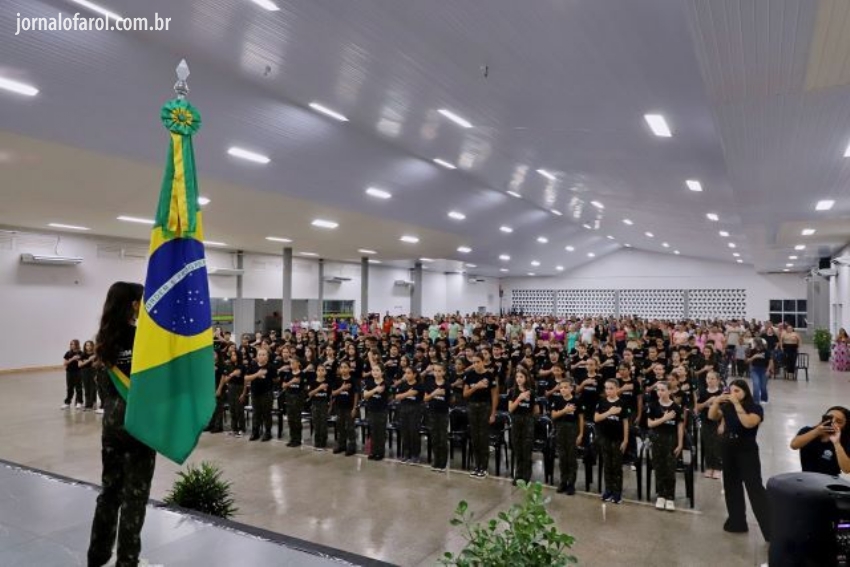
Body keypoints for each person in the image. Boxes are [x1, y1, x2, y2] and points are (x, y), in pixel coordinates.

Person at [87, 282, 156, 567]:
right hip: (138, 423)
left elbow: (102, 388)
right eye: (142, 301)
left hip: (112, 423)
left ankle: (97, 556)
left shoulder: (105, 340)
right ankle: (127, 562)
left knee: (109, 491)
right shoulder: (143, 339)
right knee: (134, 497)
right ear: (133, 305)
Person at [708, 379, 771, 540]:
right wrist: (716, 402)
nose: (733, 394)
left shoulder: (755, 408)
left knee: (754, 487)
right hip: (728, 448)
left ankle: (770, 530)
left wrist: (737, 404)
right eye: (731, 391)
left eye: (737, 391)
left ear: (745, 391)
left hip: (746, 449)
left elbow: (748, 424)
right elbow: (712, 416)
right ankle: (737, 522)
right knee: (731, 485)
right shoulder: (727, 407)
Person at [647, 381, 684, 512]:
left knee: (670, 470)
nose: (660, 392)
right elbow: (650, 424)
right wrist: (664, 418)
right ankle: (661, 495)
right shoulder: (653, 406)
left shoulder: (676, 407)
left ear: (669, 391)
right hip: (657, 441)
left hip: (671, 442)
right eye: (658, 390)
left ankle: (670, 497)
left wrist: (680, 443)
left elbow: (680, 427)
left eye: (663, 390)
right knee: (659, 469)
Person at [463, 354, 499, 479]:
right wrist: (476, 387)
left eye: (478, 361)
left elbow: (494, 395)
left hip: (485, 407)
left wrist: (493, 413)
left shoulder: (489, 375)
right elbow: (465, 394)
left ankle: (484, 466)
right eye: (473, 362)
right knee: (474, 437)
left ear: (483, 362)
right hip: (472, 407)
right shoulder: (469, 375)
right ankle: (476, 465)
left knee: (483, 438)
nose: (475, 364)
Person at [594, 379, 629, 504]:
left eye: (611, 388)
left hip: (617, 439)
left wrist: (625, 440)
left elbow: (625, 422)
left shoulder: (622, 403)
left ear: (617, 389)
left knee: (616, 466)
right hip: (605, 438)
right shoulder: (602, 402)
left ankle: (617, 491)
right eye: (606, 388)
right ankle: (608, 489)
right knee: (607, 465)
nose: (608, 391)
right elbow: (596, 418)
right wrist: (609, 412)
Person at [790, 407, 850, 475]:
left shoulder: (845, 441)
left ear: (844, 426)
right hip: (807, 476)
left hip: (830, 479)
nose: (833, 422)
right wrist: (816, 432)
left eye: (839, 422)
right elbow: (794, 445)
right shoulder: (807, 430)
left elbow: (846, 469)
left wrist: (837, 443)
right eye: (829, 418)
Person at [551, 378, 582, 495]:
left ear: (571, 388)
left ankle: (571, 483)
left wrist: (581, 434)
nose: (563, 390)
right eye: (561, 388)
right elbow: (553, 415)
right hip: (560, 430)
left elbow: (581, 419)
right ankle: (563, 481)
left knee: (571, 458)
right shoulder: (557, 400)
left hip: (572, 431)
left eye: (566, 387)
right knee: (562, 457)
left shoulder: (576, 401)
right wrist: (564, 410)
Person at [508, 367, 539, 485]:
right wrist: (519, 398)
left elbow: (536, 410)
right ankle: (518, 475)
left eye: (521, 377)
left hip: (527, 422)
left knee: (526, 450)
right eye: (517, 377)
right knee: (518, 449)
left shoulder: (532, 392)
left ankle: (526, 476)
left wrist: (531, 419)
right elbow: (510, 409)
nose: (518, 379)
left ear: (526, 378)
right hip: (516, 421)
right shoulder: (512, 391)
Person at [696, 371, 723, 479]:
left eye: (712, 378)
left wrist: (722, 425)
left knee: (717, 444)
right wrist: (707, 402)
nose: (710, 381)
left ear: (718, 380)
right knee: (707, 444)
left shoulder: (721, 393)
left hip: (717, 422)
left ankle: (717, 467)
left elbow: (726, 410)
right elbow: (697, 408)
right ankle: (709, 466)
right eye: (708, 378)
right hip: (706, 422)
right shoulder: (702, 392)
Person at [395, 367, 425, 464]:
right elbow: (397, 397)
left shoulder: (419, 385)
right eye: (405, 373)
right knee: (405, 432)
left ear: (414, 375)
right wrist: (408, 393)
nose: (406, 375)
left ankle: (415, 454)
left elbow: (413, 393)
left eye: (409, 373)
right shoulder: (403, 384)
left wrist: (403, 395)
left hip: (415, 410)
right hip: (404, 410)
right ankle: (406, 453)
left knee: (414, 432)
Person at [244, 347, 273, 442]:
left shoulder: (271, 367)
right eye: (259, 354)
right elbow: (246, 378)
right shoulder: (253, 366)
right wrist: (257, 374)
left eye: (263, 354)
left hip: (267, 393)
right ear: (257, 356)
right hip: (255, 393)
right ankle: (255, 432)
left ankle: (267, 432)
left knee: (266, 414)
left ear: (267, 357)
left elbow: (276, 379)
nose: (261, 356)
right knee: (256, 413)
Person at [426, 364, 451, 471]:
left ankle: (443, 462)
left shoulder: (447, 385)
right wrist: (434, 393)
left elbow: (450, 400)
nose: (437, 373)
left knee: (442, 438)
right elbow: (425, 398)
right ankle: (436, 460)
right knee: (434, 437)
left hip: (443, 414)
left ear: (444, 372)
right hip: (432, 413)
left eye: (439, 371)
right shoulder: (430, 383)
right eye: (435, 371)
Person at [332, 361, 359, 456]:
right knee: (340, 427)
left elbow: (356, 395)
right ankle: (341, 445)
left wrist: (354, 408)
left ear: (349, 369)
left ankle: (352, 446)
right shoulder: (337, 380)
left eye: (345, 367)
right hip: (339, 407)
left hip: (349, 408)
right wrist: (342, 388)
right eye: (341, 367)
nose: (343, 369)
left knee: (350, 427)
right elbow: (333, 393)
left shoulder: (353, 380)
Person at [363, 364, 389, 461]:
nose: (375, 372)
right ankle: (373, 451)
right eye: (373, 370)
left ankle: (380, 452)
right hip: (371, 411)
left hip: (381, 411)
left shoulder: (385, 383)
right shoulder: (369, 382)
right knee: (373, 432)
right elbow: (365, 395)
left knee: (380, 432)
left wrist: (372, 392)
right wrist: (375, 390)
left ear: (382, 372)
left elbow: (383, 392)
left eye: (377, 370)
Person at [307, 363, 331, 450]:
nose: (320, 372)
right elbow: (310, 394)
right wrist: (319, 388)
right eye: (319, 370)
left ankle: (323, 442)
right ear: (316, 372)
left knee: (323, 424)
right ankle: (317, 442)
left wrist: (330, 407)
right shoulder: (313, 382)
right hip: (315, 404)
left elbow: (331, 396)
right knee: (316, 424)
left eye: (322, 370)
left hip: (324, 404)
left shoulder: (328, 382)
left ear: (325, 372)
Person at [282, 357, 304, 447]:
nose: (292, 365)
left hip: (298, 399)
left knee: (297, 420)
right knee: (290, 419)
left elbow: (304, 388)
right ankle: (292, 438)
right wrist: (291, 382)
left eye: (294, 363)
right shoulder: (288, 374)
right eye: (291, 363)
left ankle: (298, 439)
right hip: (289, 398)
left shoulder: (302, 374)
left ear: (298, 363)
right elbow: (283, 386)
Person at [745, 338, 771, 405]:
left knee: (763, 386)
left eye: (754, 343)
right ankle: (756, 401)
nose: (753, 344)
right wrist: (754, 357)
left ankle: (764, 399)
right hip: (754, 370)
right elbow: (747, 361)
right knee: (756, 384)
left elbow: (770, 361)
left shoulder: (766, 351)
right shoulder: (752, 351)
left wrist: (768, 370)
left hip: (764, 370)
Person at [63, 339, 84, 409]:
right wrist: (72, 359)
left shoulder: (81, 353)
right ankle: (67, 402)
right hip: (69, 372)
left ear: (77, 345)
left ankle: (79, 402)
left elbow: (82, 363)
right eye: (71, 344)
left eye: (73, 344)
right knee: (69, 388)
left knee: (78, 387)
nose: (72, 345)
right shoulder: (68, 353)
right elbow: (65, 363)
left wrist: (78, 359)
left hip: (78, 372)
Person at [79, 340, 98, 411]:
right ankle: (88, 404)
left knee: (93, 388)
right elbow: (79, 365)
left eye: (90, 345)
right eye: (87, 345)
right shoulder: (83, 354)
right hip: (84, 372)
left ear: (92, 346)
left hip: (93, 371)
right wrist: (89, 360)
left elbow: (95, 364)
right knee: (86, 388)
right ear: (85, 346)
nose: (88, 347)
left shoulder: (95, 354)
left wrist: (89, 361)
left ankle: (93, 403)